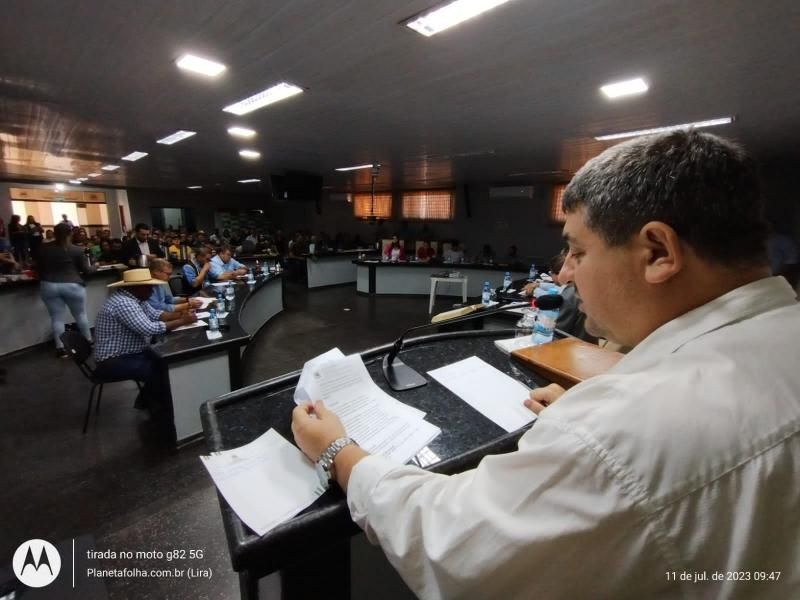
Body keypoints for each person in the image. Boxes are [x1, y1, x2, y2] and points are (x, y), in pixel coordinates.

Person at [292, 130, 800, 598]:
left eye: (578, 250)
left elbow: (456, 545)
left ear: (658, 252)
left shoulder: (620, 430)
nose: (565, 274)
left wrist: (338, 452)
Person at [94, 269, 197, 411]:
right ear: (137, 288)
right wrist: (183, 321)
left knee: (166, 363)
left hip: (132, 353)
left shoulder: (137, 299)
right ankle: (161, 411)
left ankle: (147, 401)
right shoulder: (124, 303)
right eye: (149, 287)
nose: (152, 290)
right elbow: (149, 328)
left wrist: (182, 314)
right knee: (161, 372)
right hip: (113, 360)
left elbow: (158, 315)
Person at [35, 223, 94, 357]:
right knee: (80, 314)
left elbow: (37, 268)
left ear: (54, 233)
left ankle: (60, 349)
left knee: (57, 318)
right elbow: (87, 270)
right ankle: (88, 341)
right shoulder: (77, 250)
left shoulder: (43, 249)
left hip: (48, 285)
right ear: (71, 233)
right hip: (72, 284)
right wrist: (95, 265)